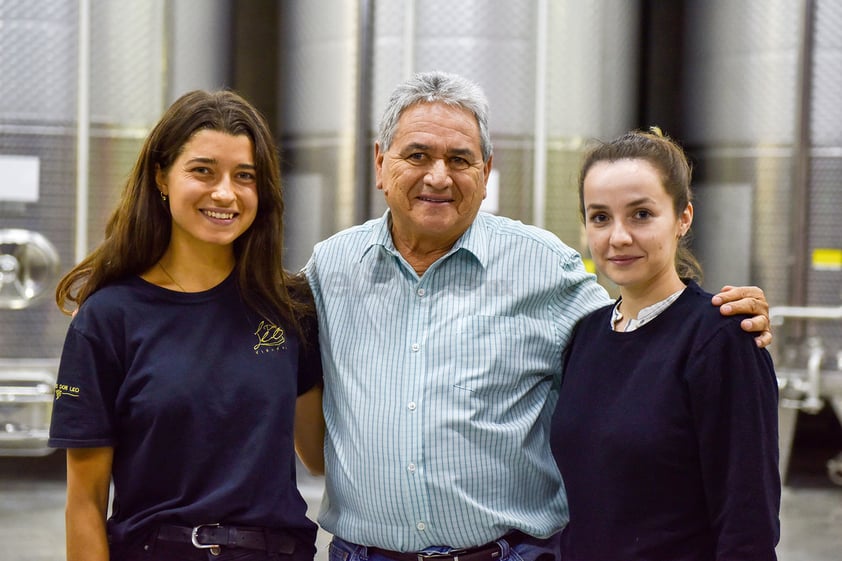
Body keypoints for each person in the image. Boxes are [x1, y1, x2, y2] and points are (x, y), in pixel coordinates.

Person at [304, 71, 772, 561]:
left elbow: (644, 340)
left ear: (486, 173)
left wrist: (735, 331)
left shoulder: (544, 266)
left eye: (459, 159)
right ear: (381, 163)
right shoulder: (330, 269)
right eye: (417, 155)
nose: (438, 176)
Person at [48, 90, 325, 561]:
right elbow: (85, 505)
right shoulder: (109, 317)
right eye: (203, 171)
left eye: (245, 177)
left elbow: (319, 457)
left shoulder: (290, 305)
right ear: (161, 177)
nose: (225, 193)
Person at [550, 128, 780, 560]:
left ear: (683, 218)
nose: (618, 237)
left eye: (640, 214)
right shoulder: (586, 335)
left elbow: (748, 519)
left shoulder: (722, 338)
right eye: (600, 217)